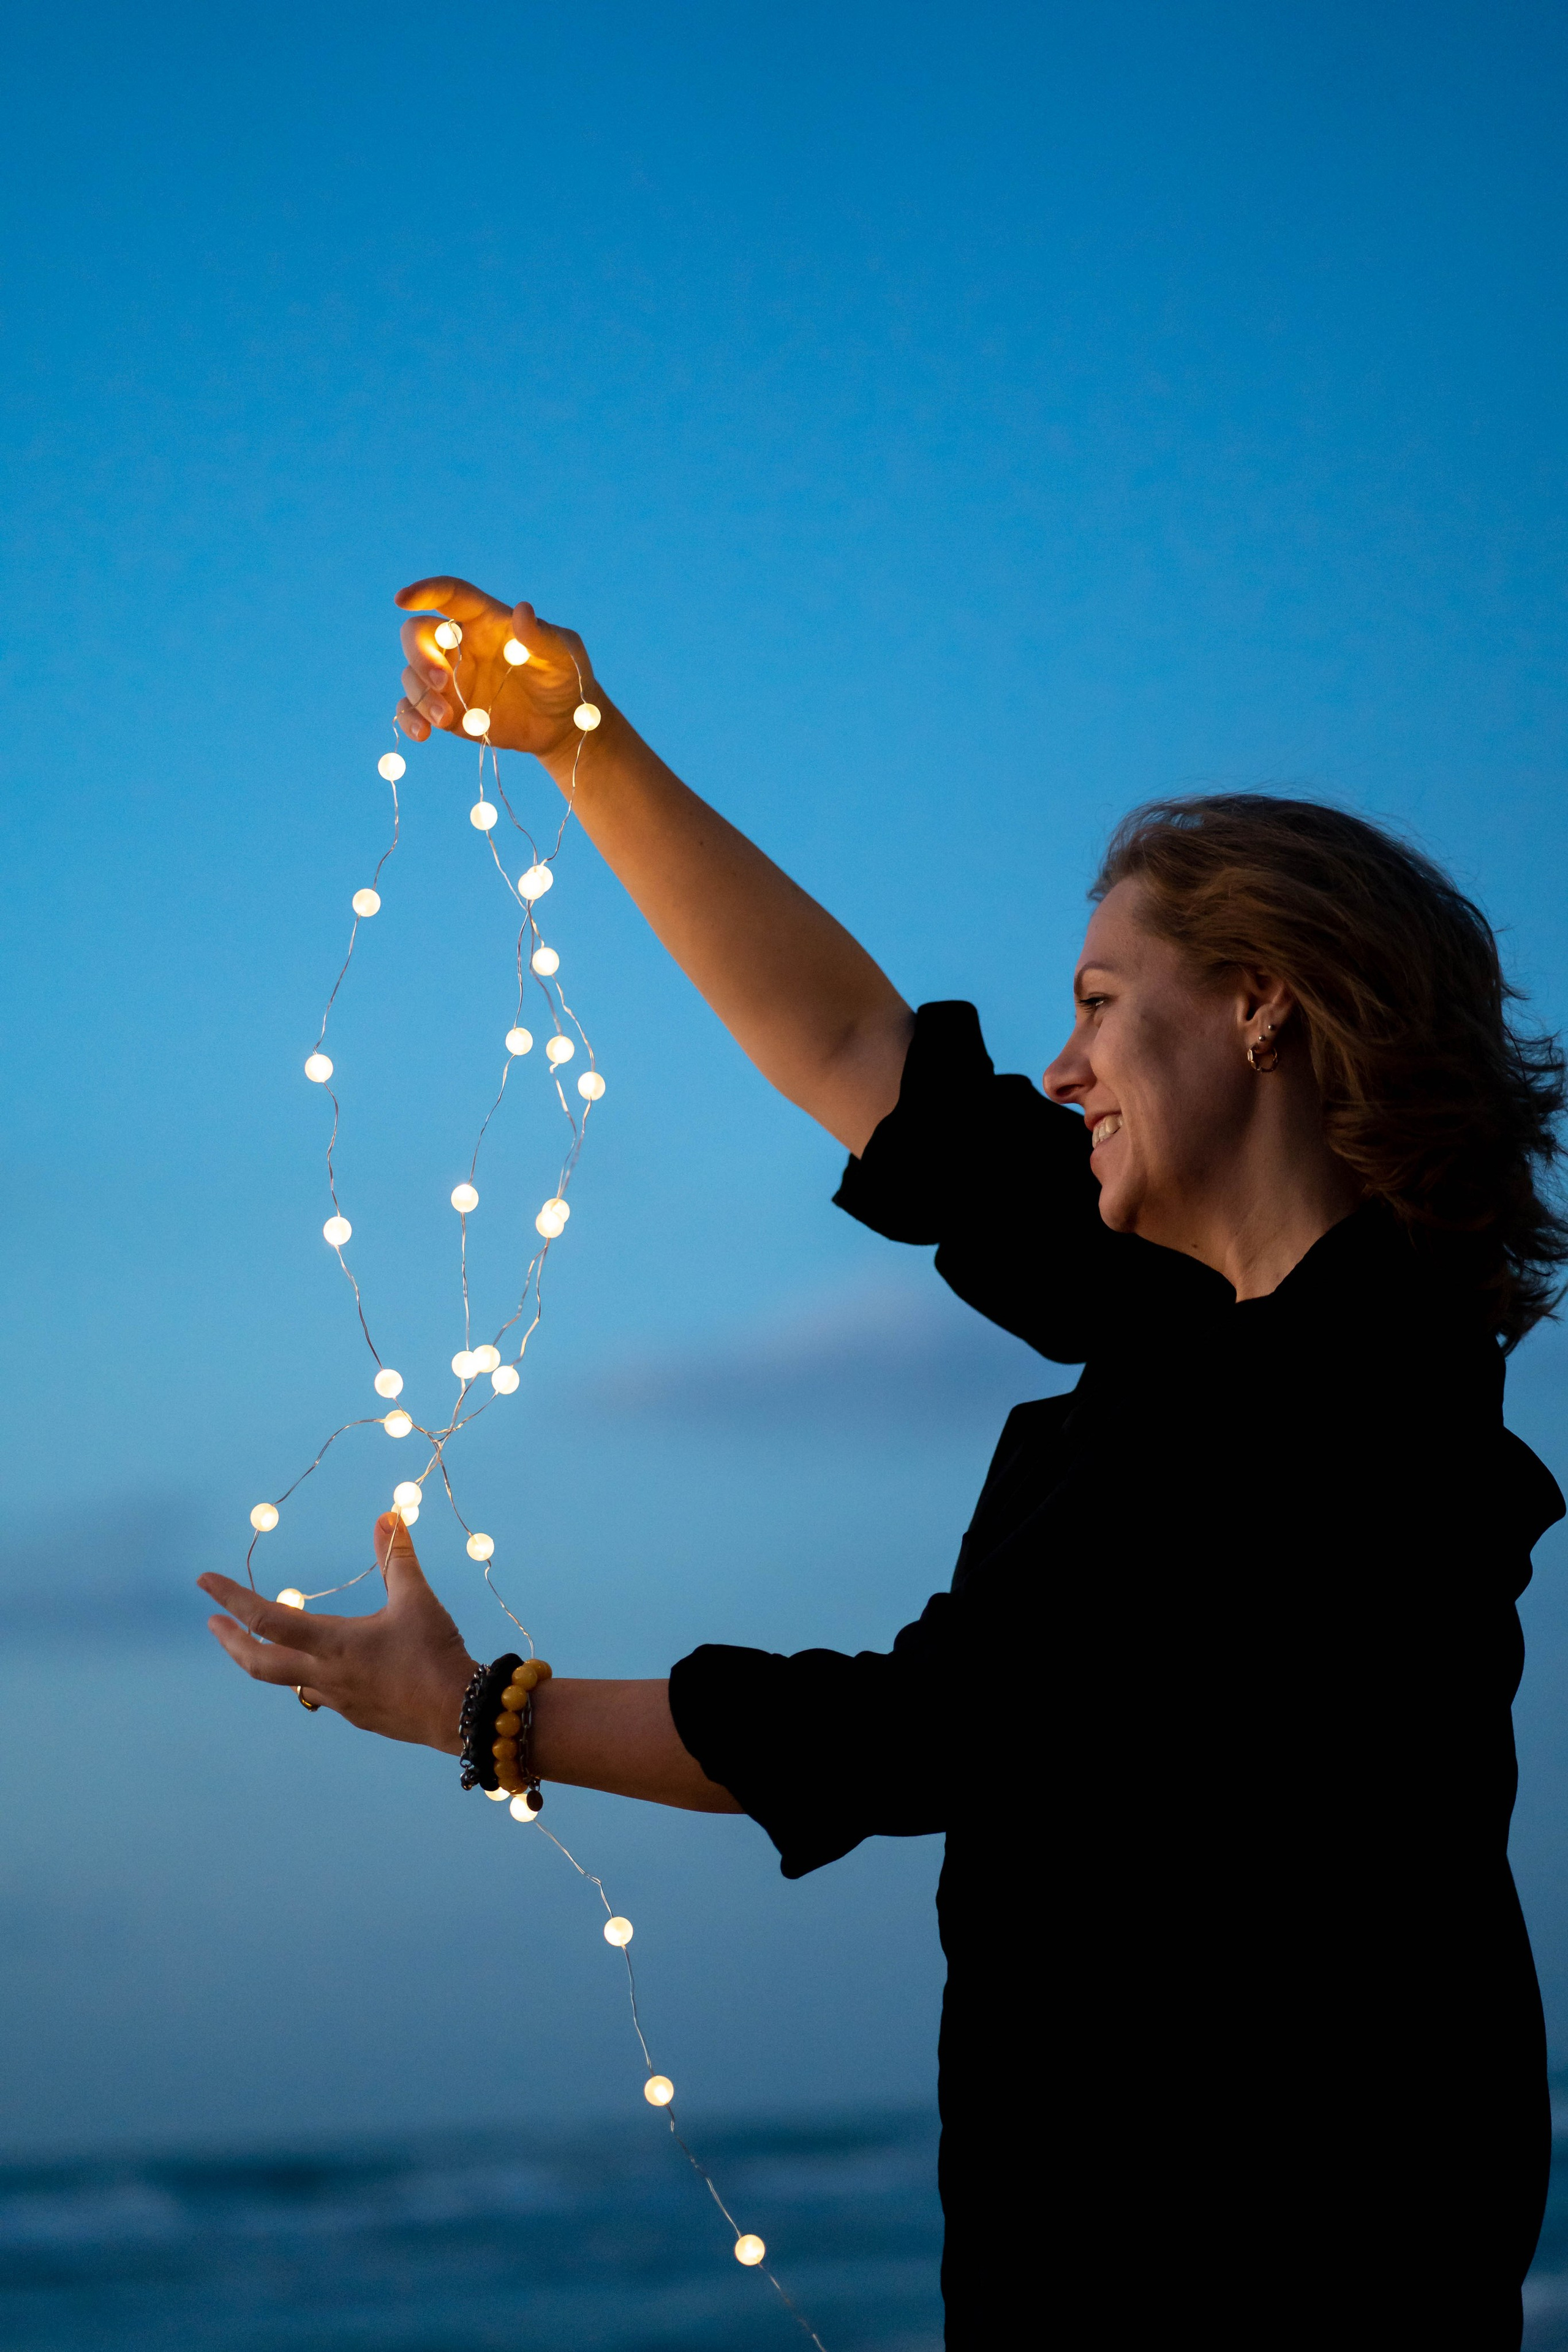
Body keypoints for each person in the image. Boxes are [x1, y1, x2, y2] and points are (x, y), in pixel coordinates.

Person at [200, 578, 1568, 2350]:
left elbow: (923, 1730)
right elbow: (862, 1061)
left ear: (1262, 1008)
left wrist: (485, 1711)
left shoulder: (1338, 1416)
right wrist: (580, 745)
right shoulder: (1199, 1325)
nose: (1065, 1067)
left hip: (1257, 2269)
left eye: (1098, 1002)